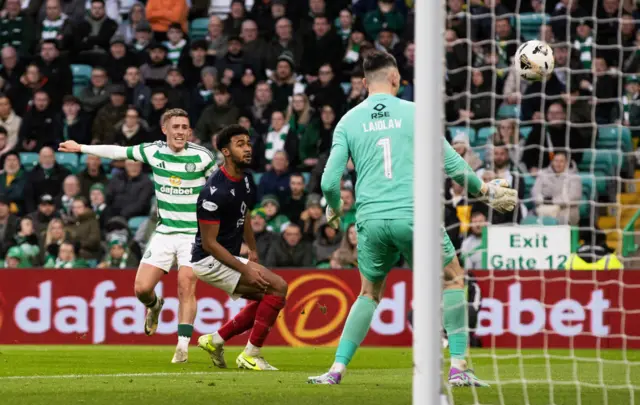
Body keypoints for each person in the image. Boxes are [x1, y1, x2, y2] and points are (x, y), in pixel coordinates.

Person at [308, 50, 517, 386]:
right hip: (413, 215)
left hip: (371, 221)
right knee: (451, 279)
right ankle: (460, 367)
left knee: (368, 294)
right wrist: (485, 191)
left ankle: (336, 370)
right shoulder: (416, 113)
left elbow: (329, 182)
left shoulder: (348, 120)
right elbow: (451, 165)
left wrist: (334, 208)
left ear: (364, 83)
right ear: (395, 79)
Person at [58, 108, 216, 364]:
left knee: (186, 283)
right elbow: (118, 152)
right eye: (175, 127)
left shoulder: (203, 157)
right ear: (164, 130)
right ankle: (154, 305)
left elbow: (219, 190)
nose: (180, 132)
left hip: (193, 235)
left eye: (184, 127)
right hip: (164, 232)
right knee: (142, 289)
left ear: (189, 131)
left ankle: (182, 346)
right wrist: (81, 148)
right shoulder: (153, 151)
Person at [193, 124, 288, 371]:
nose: (247, 149)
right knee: (278, 287)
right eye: (240, 144)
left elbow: (244, 215)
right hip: (208, 260)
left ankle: (215, 340)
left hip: (229, 255)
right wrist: (245, 270)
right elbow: (209, 243)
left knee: (270, 297)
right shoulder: (213, 192)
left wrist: (252, 250)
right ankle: (250, 355)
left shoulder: (246, 180)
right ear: (226, 151)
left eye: (248, 143)